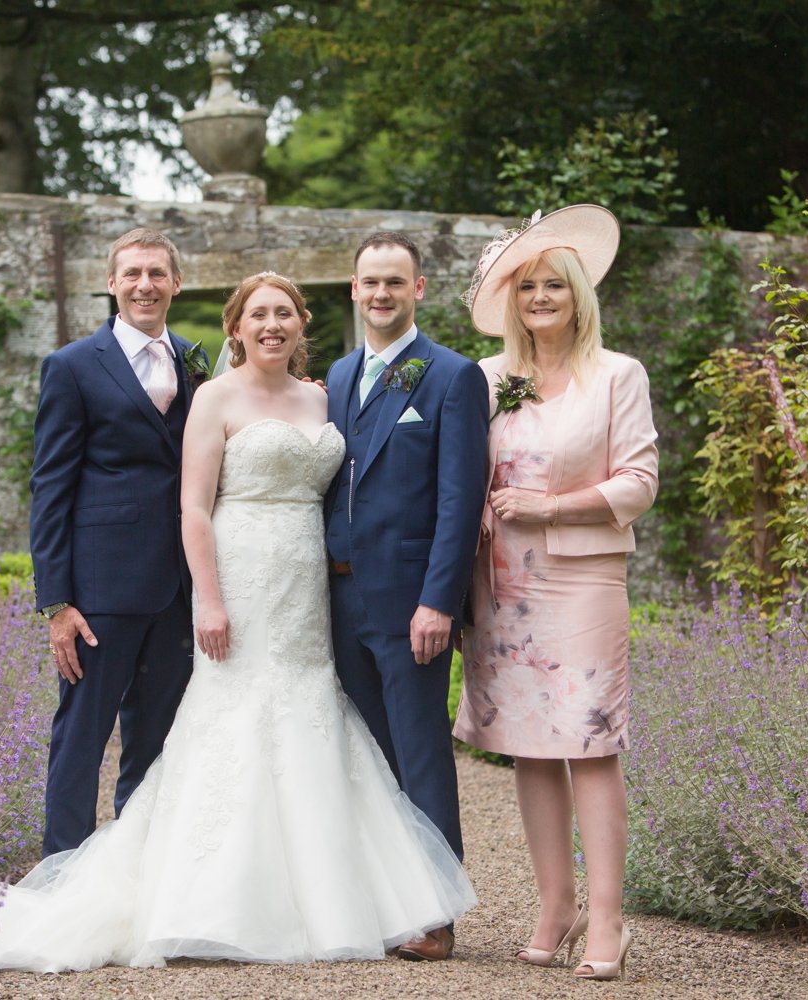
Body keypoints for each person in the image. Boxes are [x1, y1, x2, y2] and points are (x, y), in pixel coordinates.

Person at [0, 272, 476, 973]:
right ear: (235, 327)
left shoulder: (324, 395)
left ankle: (330, 893)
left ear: (302, 325)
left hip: (307, 585)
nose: (272, 324)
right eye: (258, 314)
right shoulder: (212, 396)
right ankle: (204, 899)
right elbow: (195, 508)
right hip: (237, 577)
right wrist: (208, 599)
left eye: (285, 314)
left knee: (310, 711)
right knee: (230, 716)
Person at [453, 205, 658, 981]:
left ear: (578, 294)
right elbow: (468, 471)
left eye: (554, 284)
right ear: (514, 301)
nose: (540, 296)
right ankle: (555, 904)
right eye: (527, 285)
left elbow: (639, 482)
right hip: (503, 585)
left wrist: (552, 507)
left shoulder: (619, 375)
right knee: (530, 749)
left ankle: (608, 918)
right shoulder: (488, 379)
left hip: (581, 579)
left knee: (590, 744)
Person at [323, 233, 488, 961]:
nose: (381, 294)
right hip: (332, 598)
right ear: (353, 291)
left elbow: (459, 501)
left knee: (419, 752)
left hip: (409, 601)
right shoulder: (332, 376)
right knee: (366, 755)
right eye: (370, 283)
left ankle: (435, 915)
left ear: (419, 288)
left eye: (396, 281)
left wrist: (439, 601)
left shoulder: (452, 378)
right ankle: (378, 902)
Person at [27, 228, 201, 857]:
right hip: (101, 588)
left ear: (176, 283)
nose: (145, 285)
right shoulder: (72, 366)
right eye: (132, 274)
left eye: (157, 273)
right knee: (82, 733)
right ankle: (62, 868)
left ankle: (136, 866)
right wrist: (57, 602)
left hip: (178, 585)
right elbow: (50, 487)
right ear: (112, 283)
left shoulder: (195, 360)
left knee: (157, 734)